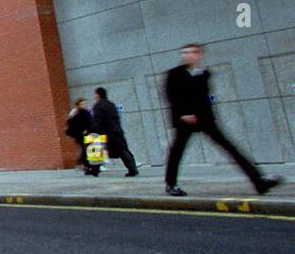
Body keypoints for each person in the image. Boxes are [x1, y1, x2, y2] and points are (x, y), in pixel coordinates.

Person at [163, 44, 282, 197]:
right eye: (184, 53)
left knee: (231, 149)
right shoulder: (174, 74)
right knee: (176, 153)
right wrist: (183, 114)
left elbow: (204, 98)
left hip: (205, 119)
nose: (187, 55)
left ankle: (258, 182)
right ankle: (170, 184)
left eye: (192, 52)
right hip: (184, 121)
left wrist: (206, 116)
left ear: (200, 55)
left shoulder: (204, 73)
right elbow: (171, 96)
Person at [91, 87, 138, 177]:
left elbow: (97, 121)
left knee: (96, 149)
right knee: (123, 151)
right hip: (117, 131)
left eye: (95, 94)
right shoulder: (111, 104)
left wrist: (94, 132)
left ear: (98, 95)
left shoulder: (98, 106)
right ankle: (132, 168)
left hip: (106, 132)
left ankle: (94, 170)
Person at [65, 98, 94, 174]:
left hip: (88, 135)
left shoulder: (86, 112)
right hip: (82, 136)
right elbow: (71, 123)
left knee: (87, 150)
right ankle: (86, 166)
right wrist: (82, 131)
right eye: (82, 104)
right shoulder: (77, 113)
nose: (84, 105)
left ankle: (87, 166)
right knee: (85, 151)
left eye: (85, 103)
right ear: (78, 105)